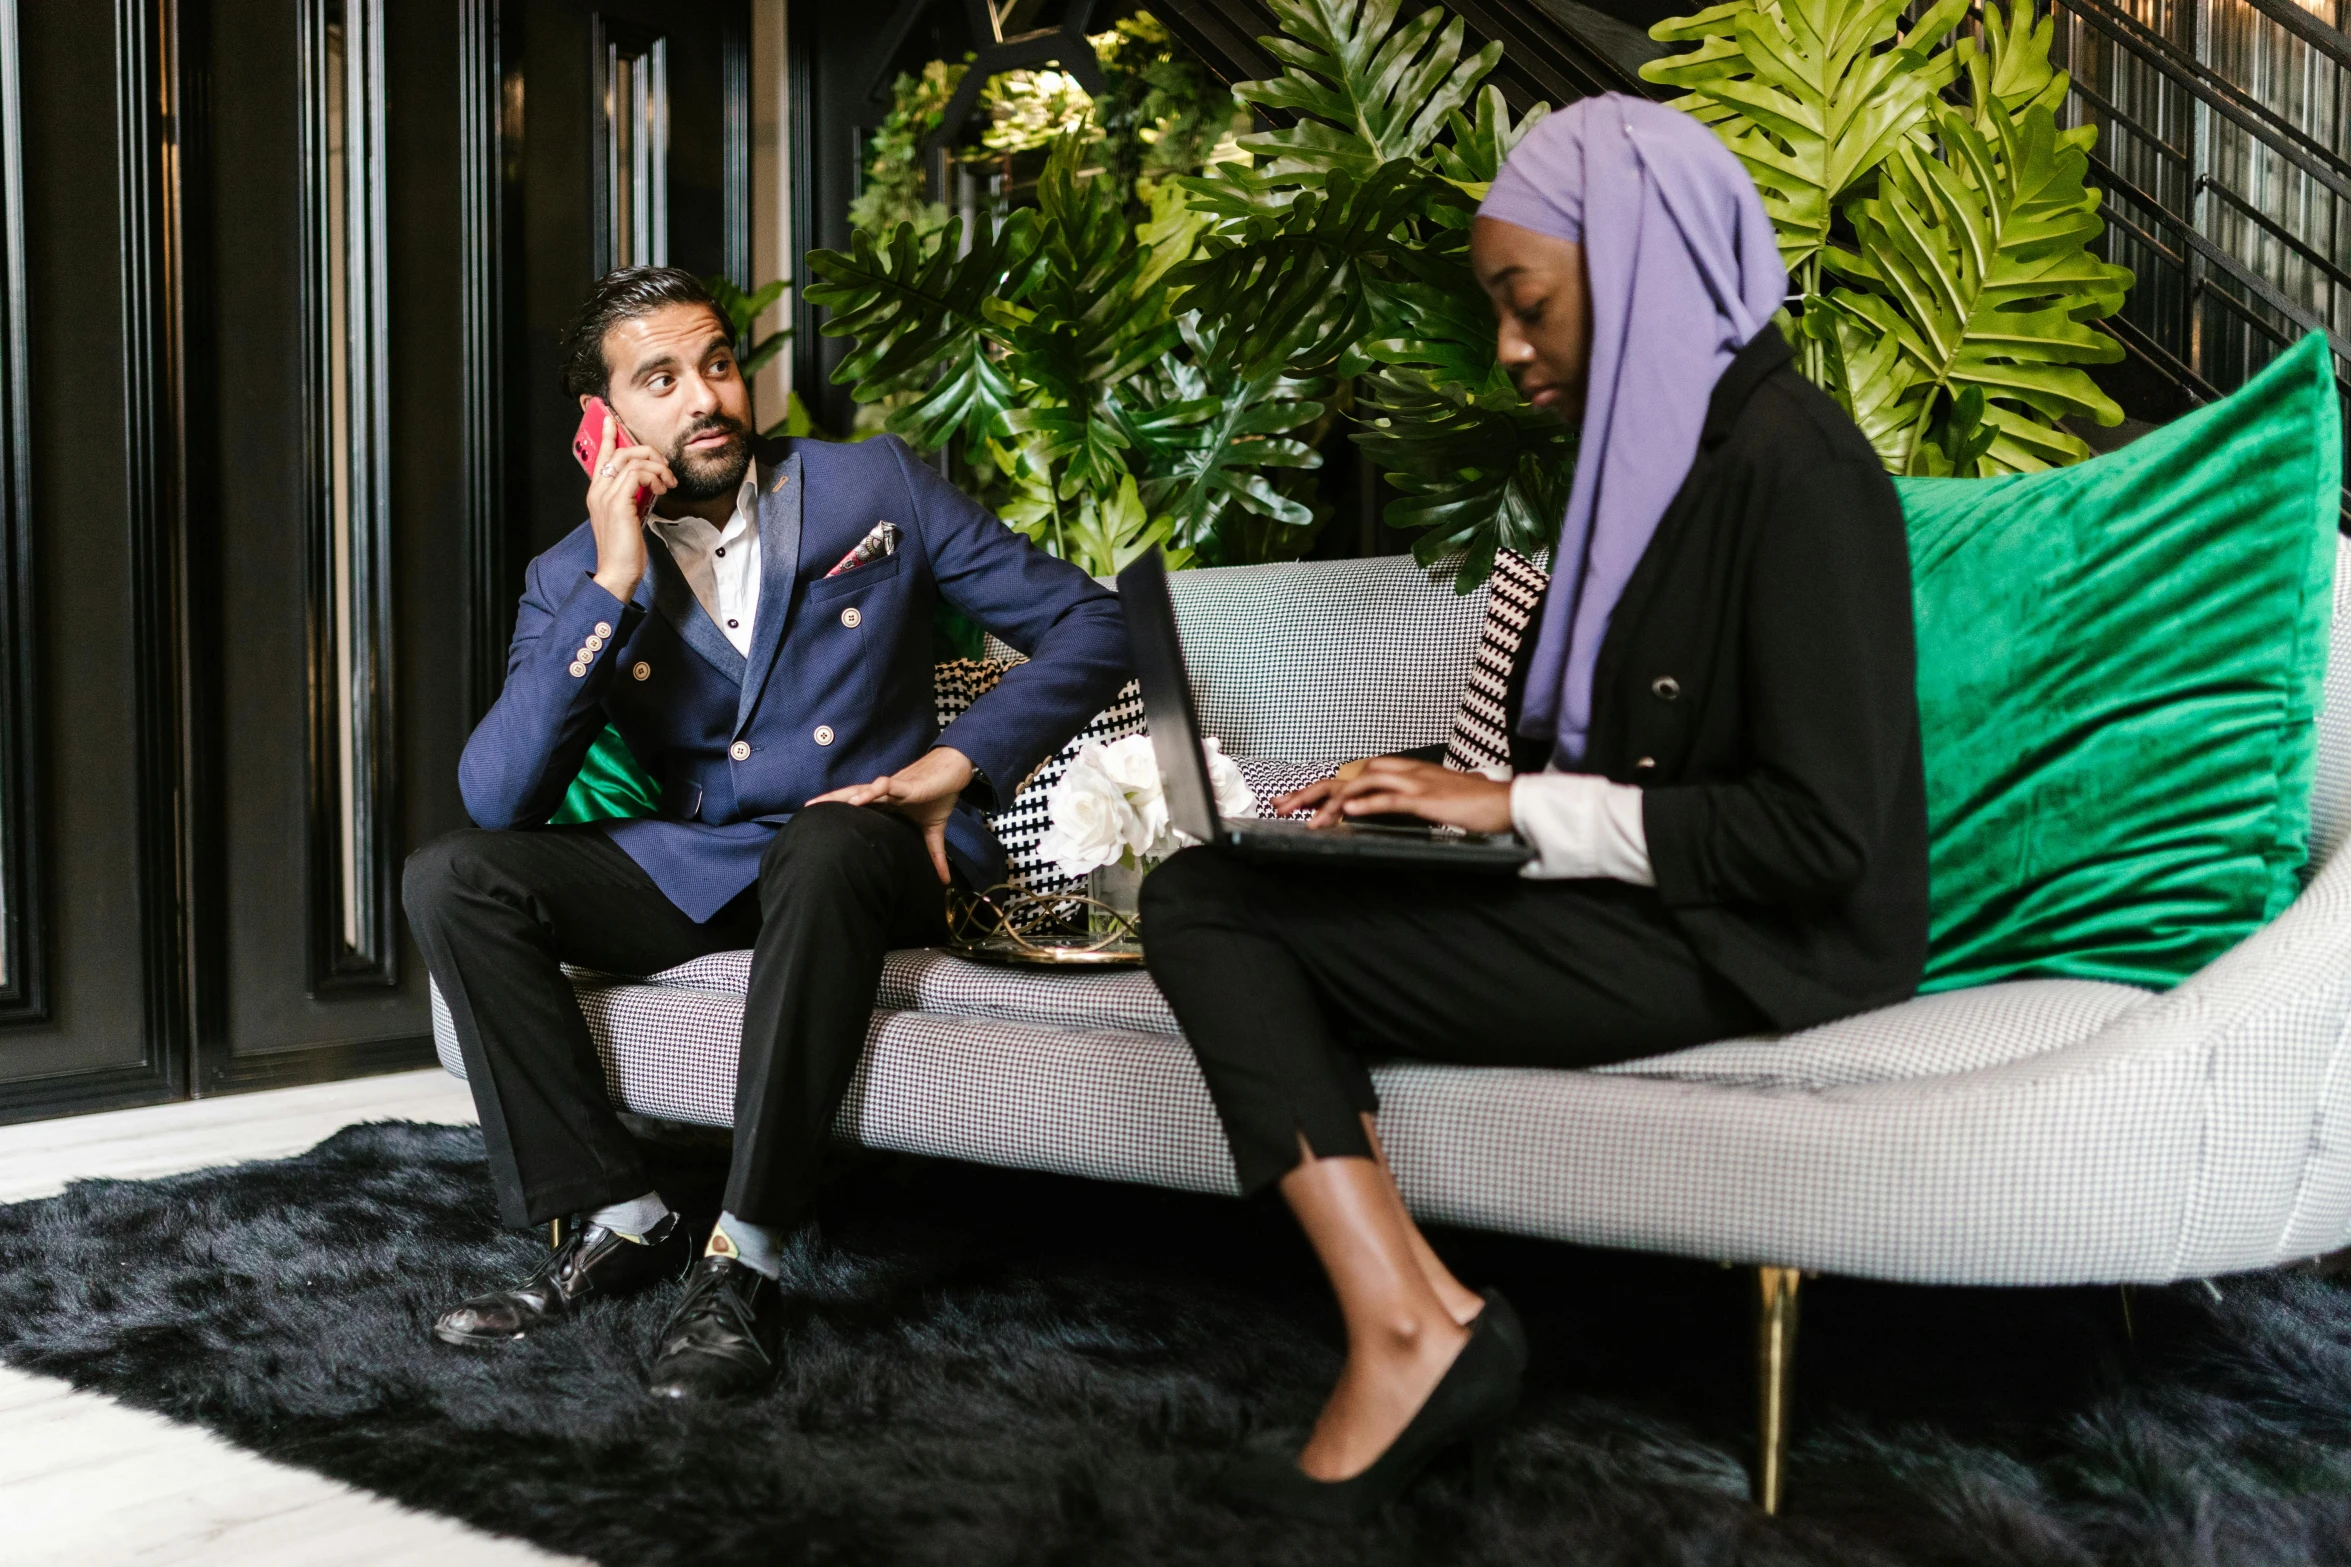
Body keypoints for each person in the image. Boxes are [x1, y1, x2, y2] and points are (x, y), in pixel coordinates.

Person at [1139, 94, 1928, 1519]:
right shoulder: (1658, 455)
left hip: (1748, 937)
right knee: (1213, 884)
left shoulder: (1795, 473)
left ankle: (1406, 1330)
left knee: (1203, 909)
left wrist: (1512, 802)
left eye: (1527, 305)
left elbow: (1819, 838)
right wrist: (1419, 802)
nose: (1507, 350)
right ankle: (1422, 1307)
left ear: (1632, 270)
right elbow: (1611, 755)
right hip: (1647, 902)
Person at [406, 266, 1129, 1400]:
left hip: (870, 849)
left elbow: (1094, 620)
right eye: (660, 378)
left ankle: (746, 1254)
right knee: (455, 876)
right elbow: (498, 797)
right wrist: (612, 581)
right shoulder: (574, 576)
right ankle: (621, 1212)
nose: (705, 396)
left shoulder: (868, 485)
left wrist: (952, 764)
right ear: (604, 424)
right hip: (701, 867)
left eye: (716, 363)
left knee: (825, 844)